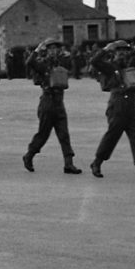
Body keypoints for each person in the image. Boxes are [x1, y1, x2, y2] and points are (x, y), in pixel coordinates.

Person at [88, 41, 135, 180]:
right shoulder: (110, 67)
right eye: (118, 50)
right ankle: (97, 162)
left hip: (132, 106)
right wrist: (105, 49)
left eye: (124, 50)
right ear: (113, 53)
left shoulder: (132, 66)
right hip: (118, 105)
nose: (122, 53)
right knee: (112, 136)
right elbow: (94, 61)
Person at [23, 39, 81, 174]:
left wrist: (66, 54)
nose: (54, 51)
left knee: (64, 134)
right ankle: (29, 155)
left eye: (56, 48)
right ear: (47, 50)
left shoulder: (62, 62)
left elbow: (70, 64)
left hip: (59, 102)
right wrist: (37, 50)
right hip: (47, 102)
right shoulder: (43, 64)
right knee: (43, 134)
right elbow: (30, 63)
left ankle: (69, 163)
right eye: (51, 49)